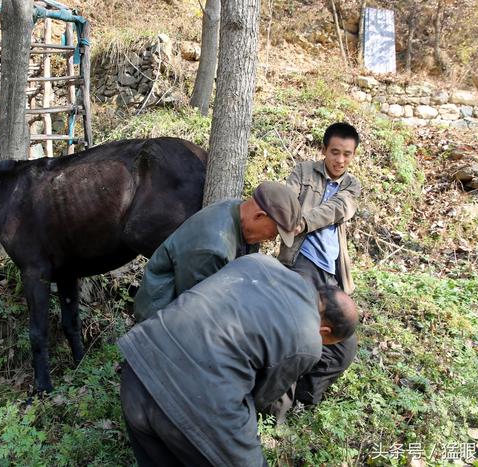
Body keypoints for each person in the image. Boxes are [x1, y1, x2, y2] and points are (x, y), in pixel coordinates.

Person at [119, 253, 358, 467]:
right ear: (325, 331)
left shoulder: (258, 262)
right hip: (196, 403)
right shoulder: (309, 341)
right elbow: (261, 397)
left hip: (139, 366)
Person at [278, 122, 362, 407]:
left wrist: (304, 221)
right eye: (335, 152)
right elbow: (286, 200)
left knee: (344, 347)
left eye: (347, 154)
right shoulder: (303, 172)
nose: (340, 160)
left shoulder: (352, 185)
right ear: (323, 150)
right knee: (297, 331)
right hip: (301, 263)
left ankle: (306, 398)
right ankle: (279, 403)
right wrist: (293, 218)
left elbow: (338, 209)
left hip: (331, 274)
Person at [133, 181, 301, 322]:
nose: (271, 239)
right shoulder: (213, 248)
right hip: (159, 317)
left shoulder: (235, 208)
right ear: (259, 216)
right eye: (274, 233)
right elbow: (199, 308)